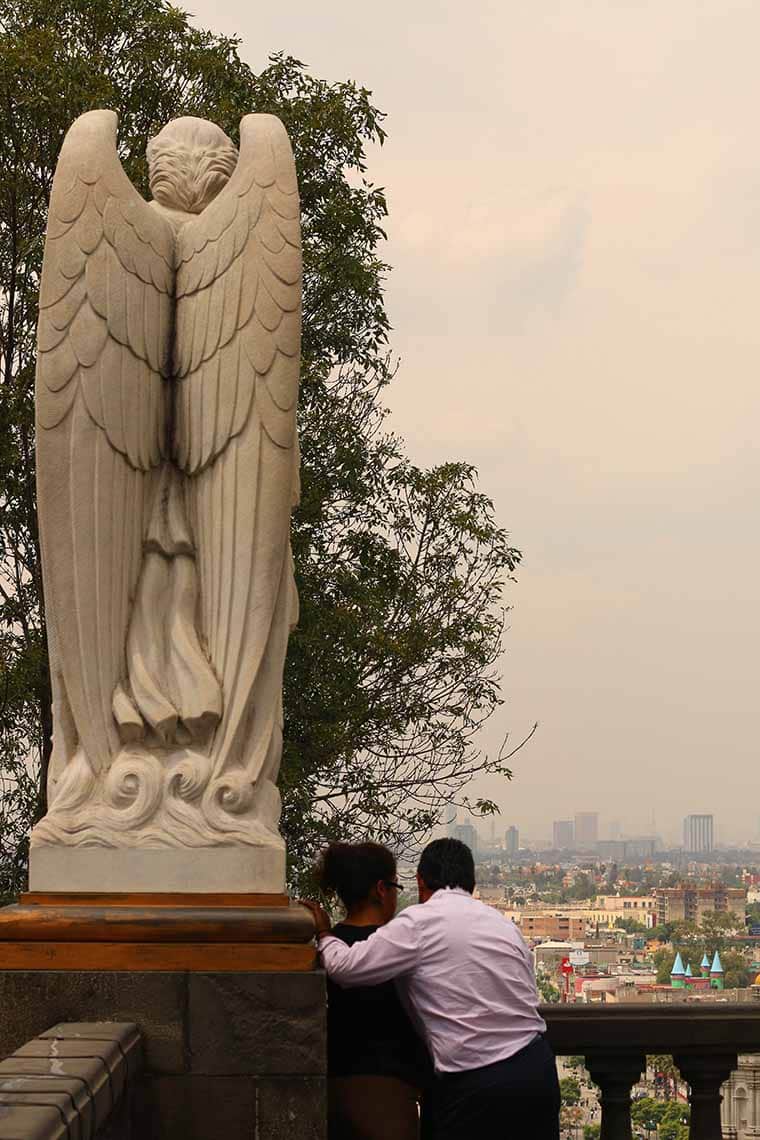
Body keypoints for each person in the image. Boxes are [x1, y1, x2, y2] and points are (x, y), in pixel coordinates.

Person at [303, 838, 560, 1140]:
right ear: (471, 882)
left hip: (477, 1081)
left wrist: (323, 932)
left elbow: (345, 968)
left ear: (420, 881)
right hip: (537, 1068)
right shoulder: (503, 925)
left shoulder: (418, 923)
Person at [315, 841, 432, 1140]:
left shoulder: (327, 945)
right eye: (395, 886)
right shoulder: (398, 946)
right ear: (381, 889)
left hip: (334, 1086)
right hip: (389, 1091)